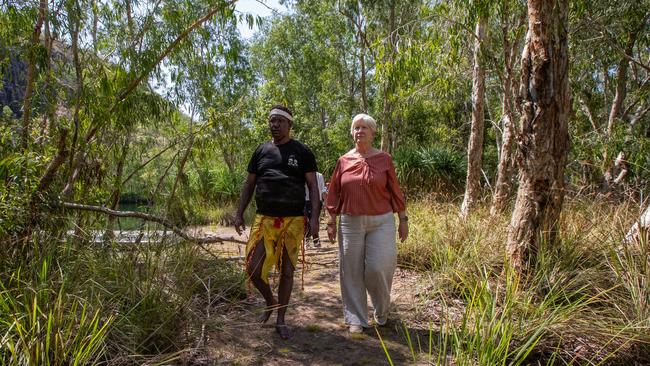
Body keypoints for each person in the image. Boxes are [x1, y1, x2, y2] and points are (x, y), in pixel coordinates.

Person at [234, 105, 320, 340]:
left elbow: (313, 187)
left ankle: (281, 319)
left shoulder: (302, 151)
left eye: (280, 121)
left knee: (288, 271)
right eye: (272, 121)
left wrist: (314, 220)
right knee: (252, 268)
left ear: (289, 125)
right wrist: (239, 212)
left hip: (293, 220)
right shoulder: (261, 151)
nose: (275, 125)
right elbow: (249, 184)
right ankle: (271, 301)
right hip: (264, 219)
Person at [325, 113, 408, 334]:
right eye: (356, 127)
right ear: (352, 133)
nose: (359, 131)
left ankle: (381, 312)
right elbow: (334, 192)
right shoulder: (344, 161)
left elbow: (395, 191)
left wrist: (403, 219)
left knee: (378, 268)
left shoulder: (384, 159)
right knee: (350, 271)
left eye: (364, 127)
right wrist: (330, 221)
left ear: (373, 133)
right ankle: (356, 319)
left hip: (382, 222)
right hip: (350, 222)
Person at [304, 171, 325, 247]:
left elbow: (322, 189)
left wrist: (324, 202)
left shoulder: (319, 175)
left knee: (315, 220)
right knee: (306, 221)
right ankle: (307, 240)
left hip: (317, 201)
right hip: (306, 200)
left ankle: (316, 240)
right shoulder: (304, 174)